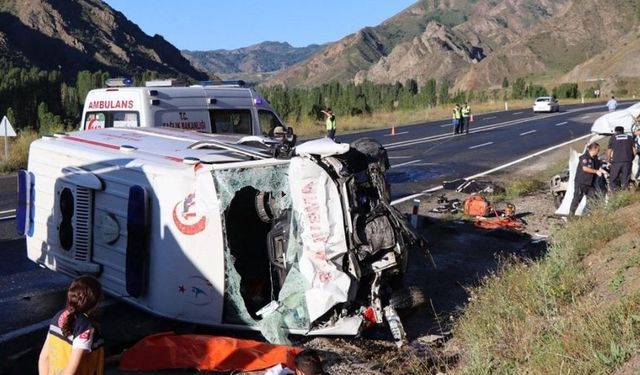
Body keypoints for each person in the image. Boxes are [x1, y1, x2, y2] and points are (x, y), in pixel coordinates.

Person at [39, 276, 104, 375]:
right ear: (96, 303)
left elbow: (44, 358)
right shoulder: (84, 328)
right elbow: (71, 370)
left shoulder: (58, 317)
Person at [569, 142, 604, 216]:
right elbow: (585, 168)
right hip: (581, 182)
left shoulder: (595, 158)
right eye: (598, 150)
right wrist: (596, 171)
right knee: (577, 199)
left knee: (593, 198)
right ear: (593, 149)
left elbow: (598, 166)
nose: (598, 151)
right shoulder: (584, 157)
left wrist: (602, 170)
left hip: (590, 183)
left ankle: (588, 214)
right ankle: (571, 216)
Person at [607, 126, 635, 191]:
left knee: (613, 179)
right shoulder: (629, 137)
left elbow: (609, 151)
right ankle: (625, 193)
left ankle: (615, 193)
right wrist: (631, 159)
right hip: (627, 161)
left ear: (615, 131)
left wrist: (608, 159)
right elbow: (634, 150)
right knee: (625, 180)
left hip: (616, 162)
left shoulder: (613, 138)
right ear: (623, 131)